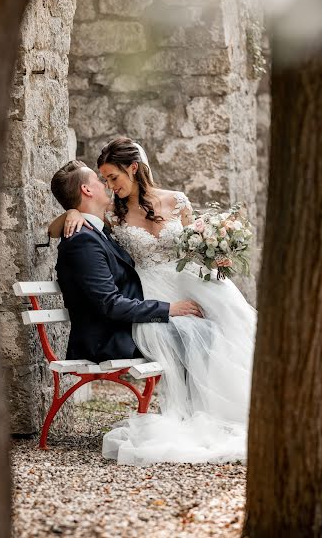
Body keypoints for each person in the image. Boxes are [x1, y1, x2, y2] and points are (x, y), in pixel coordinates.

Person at [49, 138, 257, 465]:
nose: (110, 186)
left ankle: (237, 411)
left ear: (133, 168)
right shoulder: (113, 215)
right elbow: (67, 225)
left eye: (113, 178)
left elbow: (201, 248)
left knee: (227, 332)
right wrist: (71, 210)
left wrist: (221, 257)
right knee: (196, 334)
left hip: (193, 281)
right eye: (103, 181)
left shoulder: (176, 201)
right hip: (152, 292)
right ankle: (202, 416)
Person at [51, 160, 203, 364]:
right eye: (99, 180)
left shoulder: (97, 230)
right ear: (86, 189)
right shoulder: (83, 241)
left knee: (205, 327)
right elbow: (110, 303)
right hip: (111, 339)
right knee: (202, 335)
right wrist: (169, 309)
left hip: (125, 326)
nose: (106, 184)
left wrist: (72, 211)